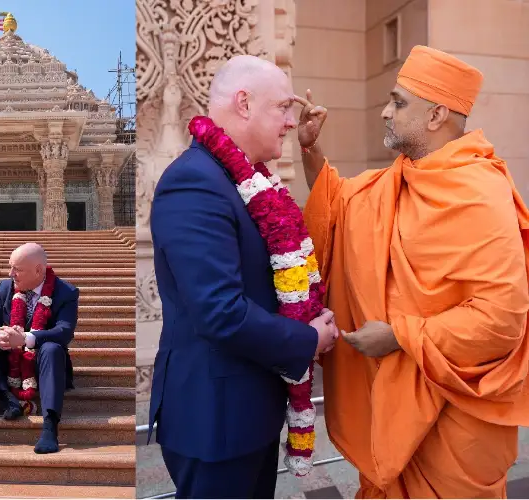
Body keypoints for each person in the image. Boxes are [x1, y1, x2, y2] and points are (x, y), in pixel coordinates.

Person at [300, 45, 529, 498]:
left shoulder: (481, 194)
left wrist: (399, 336)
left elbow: (501, 318)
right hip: (388, 402)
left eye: (398, 102)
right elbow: (338, 206)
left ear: (436, 115)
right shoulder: (396, 180)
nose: (385, 112)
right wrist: (310, 147)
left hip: (454, 421)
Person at [147, 54, 339, 499]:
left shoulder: (249, 181)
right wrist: (307, 340)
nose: (291, 122)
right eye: (283, 108)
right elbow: (219, 311)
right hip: (215, 419)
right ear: (244, 103)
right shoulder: (194, 182)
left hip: (247, 412)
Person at [0, 243, 79, 454]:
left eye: (17, 269)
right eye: (11, 268)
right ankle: (7, 400)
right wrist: (1, 334)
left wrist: (26, 338)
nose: (11, 274)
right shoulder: (5, 287)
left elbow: (64, 332)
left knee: (53, 348)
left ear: (38, 270)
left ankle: (50, 427)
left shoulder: (66, 292)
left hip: (43, 362)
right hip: (9, 359)